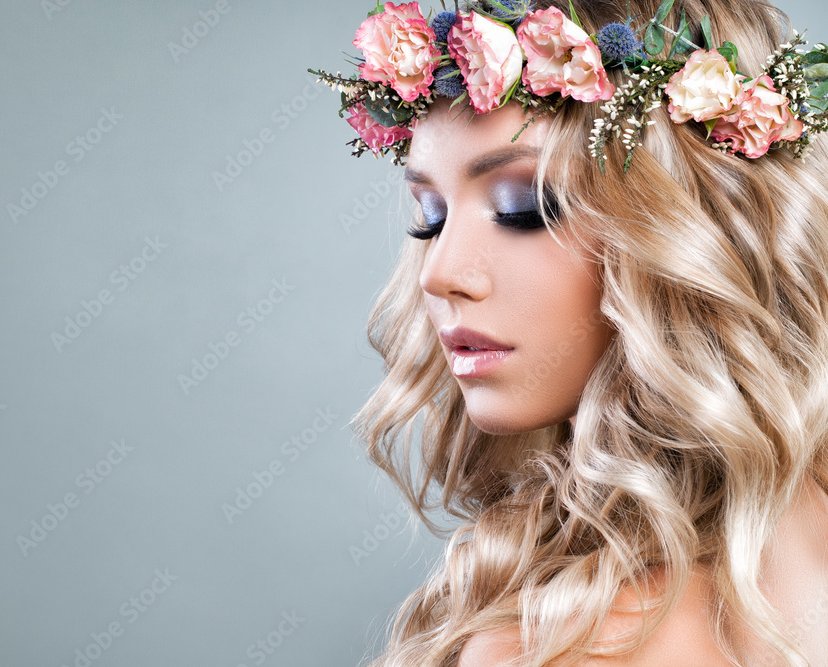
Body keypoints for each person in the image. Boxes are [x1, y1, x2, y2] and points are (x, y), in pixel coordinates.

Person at [310, 0, 828, 664]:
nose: (438, 274)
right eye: (429, 215)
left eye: (525, 206)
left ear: (693, 225)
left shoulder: (545, 645)